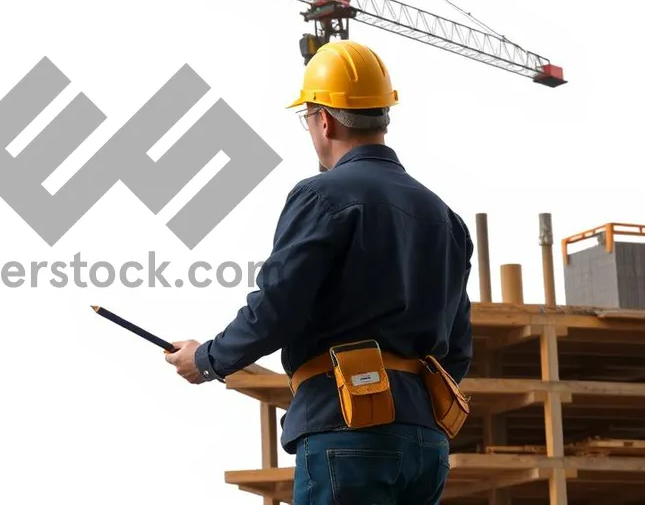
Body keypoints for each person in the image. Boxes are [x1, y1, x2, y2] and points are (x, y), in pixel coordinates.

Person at [164, 40, 473, 505]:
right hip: (426, 442)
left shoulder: (321, 196)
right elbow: (459, 347)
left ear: (322, 119)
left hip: (347, 431)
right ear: (383, 115)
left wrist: (207, 358)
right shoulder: (444, 217)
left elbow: (278, 306)